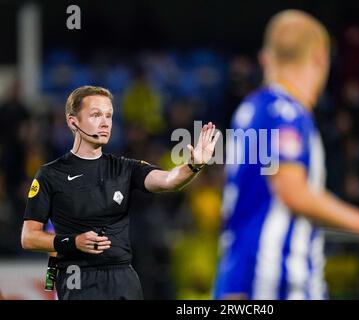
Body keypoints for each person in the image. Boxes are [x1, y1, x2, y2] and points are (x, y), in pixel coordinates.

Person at [213, 10, 359, 300]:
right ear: (320, 57)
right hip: (277, 280)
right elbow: (292, 190)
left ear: (267, 58)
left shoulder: (253, 107)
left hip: (244, 274)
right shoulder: (286, 112)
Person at [21, 85, 220, 300]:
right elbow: (29, 237)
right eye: (96, 115)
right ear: (73, 122)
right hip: (77, 278)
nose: (105, 122)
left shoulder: (125, 168)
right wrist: (73, 241)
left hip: (123, 278)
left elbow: (169, 180)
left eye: (109, 115)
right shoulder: (51, 174)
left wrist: (193, 165)